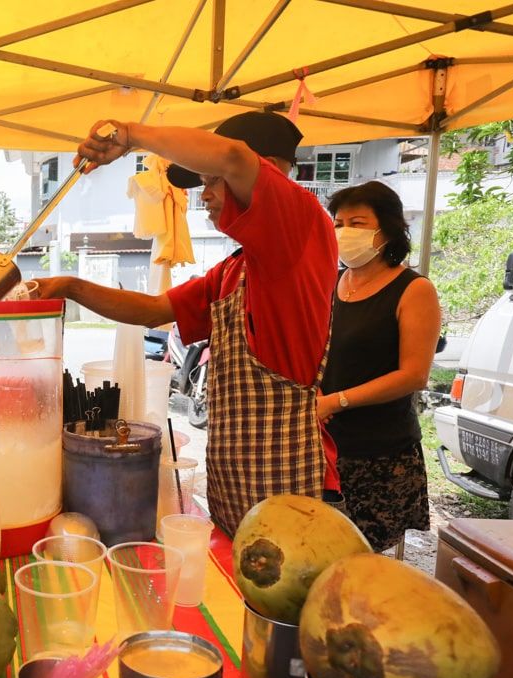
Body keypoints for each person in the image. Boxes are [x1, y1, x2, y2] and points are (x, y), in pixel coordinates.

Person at [38, 112, 339, 536]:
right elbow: (155, 309)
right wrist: (69, 286)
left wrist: (131, 136)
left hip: (286, 485)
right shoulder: (235, 270)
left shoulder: (301, 222)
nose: (206, 196)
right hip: (237, 486)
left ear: (266, 174)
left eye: (211, 181)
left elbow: (233, 156)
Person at [318, 181, 440, 551]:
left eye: (357, 223)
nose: (344, 233)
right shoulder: (333, 282)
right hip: (326, 447)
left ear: (387, 229)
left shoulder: (414, 289)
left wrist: (336, 401)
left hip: (382, 453)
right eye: (338, 223)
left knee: (371, 564)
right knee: (323, 554)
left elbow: (413, 374)